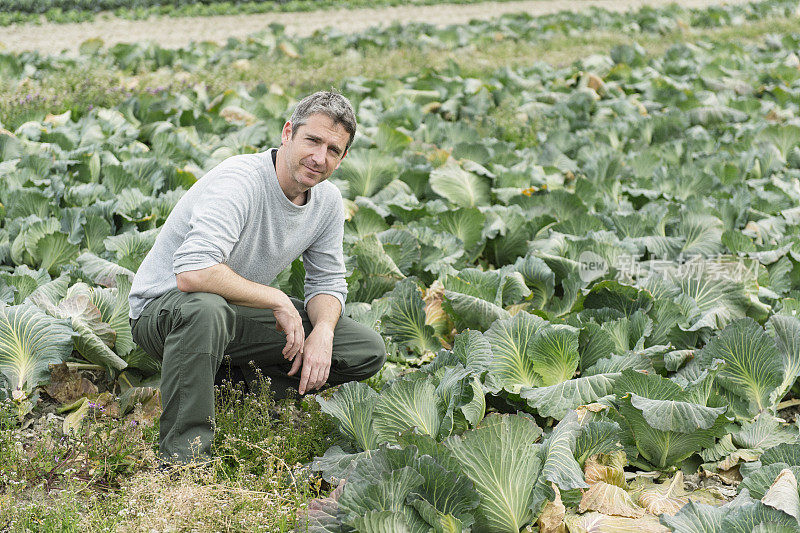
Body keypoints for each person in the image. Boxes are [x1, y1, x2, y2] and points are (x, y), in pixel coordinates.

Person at [127, 91, 386, 463]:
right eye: (312, 140)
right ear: (287, 133)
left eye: (333, 149)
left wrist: (324, 333)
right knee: (206, 309)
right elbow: (193, 271)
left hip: (231, 311)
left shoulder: (327, 201)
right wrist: (277, 299)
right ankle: (183, 458)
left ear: (342, 158)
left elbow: (328, 282)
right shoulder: (241, 180)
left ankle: (234, 391)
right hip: (163, 311)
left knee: (364, 348)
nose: (319, 157)